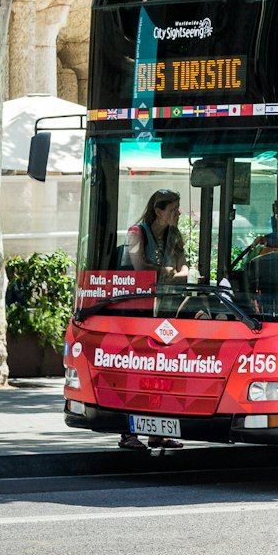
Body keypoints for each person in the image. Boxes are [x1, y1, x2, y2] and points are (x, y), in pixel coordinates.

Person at [119, 190, 189, 452]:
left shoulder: (175, 236)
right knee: (136, 371)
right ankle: (128, 433)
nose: (178, 213)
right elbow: (140, 266)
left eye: (178, 208)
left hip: (164, 311)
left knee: (163, 373)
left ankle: (158, 434)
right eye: (173, 208)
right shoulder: (137, 232)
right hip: (137, 313)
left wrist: (172, 273)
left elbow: (185, 269)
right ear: (158, 211)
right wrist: (168, 272)